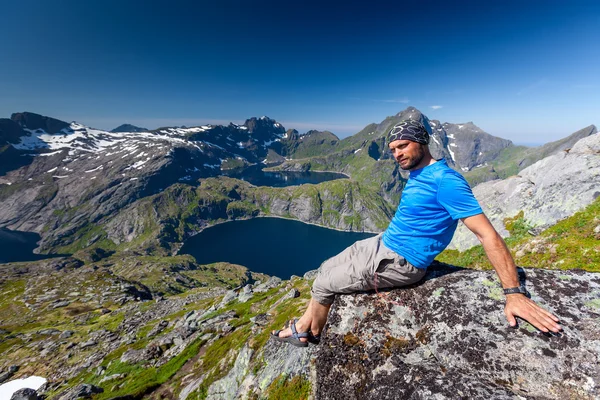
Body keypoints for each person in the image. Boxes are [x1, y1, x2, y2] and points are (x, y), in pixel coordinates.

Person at [271, 119, 561, 347]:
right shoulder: (419, 173)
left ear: (421, 142)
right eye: (393, 149)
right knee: (324, 269)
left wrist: (514, 293)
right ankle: (304, 326)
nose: (397, 154)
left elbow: (488, 236)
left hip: (400, 261)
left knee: (324, 285)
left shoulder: (446, 181)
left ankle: (311, 333)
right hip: (384, 242)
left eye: (403, 146)